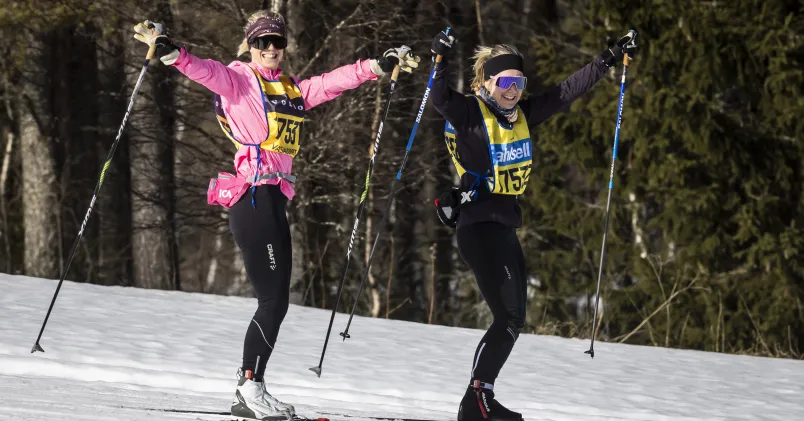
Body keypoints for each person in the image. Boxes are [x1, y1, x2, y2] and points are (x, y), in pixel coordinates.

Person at [133, 11, 420, 421]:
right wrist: (173, 54)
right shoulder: (238, 79)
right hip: (252, 198)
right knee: (272, 300)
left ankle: (252, 384)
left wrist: (377, 66)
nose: (270, 48)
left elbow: (329, 83)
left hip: (273, 198)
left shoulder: (288, 87)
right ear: (249, 45)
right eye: (262, 42)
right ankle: (249, 387)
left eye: (277, 42)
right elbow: (205, 71)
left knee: (277, 301)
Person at [428, 30, 637, 420]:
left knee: (512, 318)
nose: (512, 90)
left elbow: (567, 91)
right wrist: (438, 61)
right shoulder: (472, 114)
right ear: (487, 83)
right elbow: (439, 98)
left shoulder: (524, 115)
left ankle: (478, 398)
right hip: (478, 227)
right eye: (505, 82)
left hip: (504, 227)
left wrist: (607, 59)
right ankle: (477, 398)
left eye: (518, 83)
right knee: (508, 316)